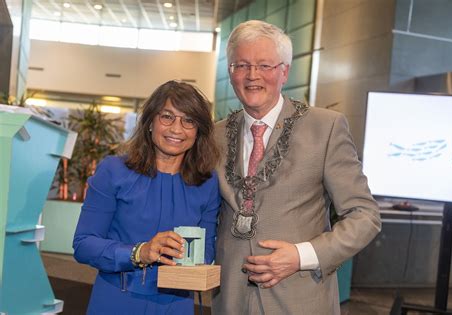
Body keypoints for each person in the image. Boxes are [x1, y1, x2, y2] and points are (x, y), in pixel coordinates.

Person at [212, 20, 381, 314]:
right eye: (241, 65)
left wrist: (301, 255)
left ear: (284, 72)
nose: (253, 76)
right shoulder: (214, 135)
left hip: (300, 299)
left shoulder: (325, 128)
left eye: (265, 65)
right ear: (230, 72)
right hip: (230, 299)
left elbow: (365, 216)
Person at [73, 80, 221, 314]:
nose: (176, 129)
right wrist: (140, 252)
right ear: (150, 121)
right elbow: (84, 244)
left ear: (198, 131)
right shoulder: (113, 171)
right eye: (167, 117)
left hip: (178, 304)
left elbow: (207, 250)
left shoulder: (208, 182)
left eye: (189, 121)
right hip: (117, 300)